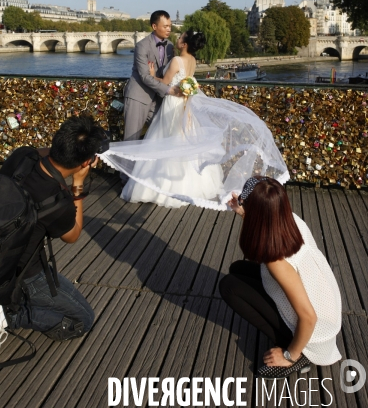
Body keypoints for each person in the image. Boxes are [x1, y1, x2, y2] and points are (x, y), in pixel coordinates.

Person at [100, 30, 289, 209]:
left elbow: (165, 84)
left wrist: (150, 75)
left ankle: (161, 188)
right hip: (185, 106)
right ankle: (193, 186)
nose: (177, 38)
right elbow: (187, 82)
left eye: (180, 37)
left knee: (167, 142)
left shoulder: (176, 60)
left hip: (173, 104)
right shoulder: (192, 60)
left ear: (183, 43)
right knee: (182, 142)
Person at [0, 115, 107, 360]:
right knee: (83, 319)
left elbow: (42, 153)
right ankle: (5, 315)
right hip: (23, 270)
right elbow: (73, 236)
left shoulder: (22, 155)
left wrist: (72, 157)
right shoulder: (58, 202)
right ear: (85, 162)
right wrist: (78, 183)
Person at [219, 176, 342, 380]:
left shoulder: (277, 261)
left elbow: (308, 317)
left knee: (229, 287)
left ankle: (299, 352)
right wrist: (243, 213)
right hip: (324, 306)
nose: (241, 202)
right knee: (237, 269)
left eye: (244, 201)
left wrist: (289, 355)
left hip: (314, 332)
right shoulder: (288, 219)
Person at [123, 10, 180, 143]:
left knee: (163, 135)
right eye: (165, 26)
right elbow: (144, 76)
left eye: (170, 26)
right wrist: (168, 90)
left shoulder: (171, 46)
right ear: (154, 27)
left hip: (158, 99)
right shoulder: (141, 46)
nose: (169, 29)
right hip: (138, 97)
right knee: (131, 141)